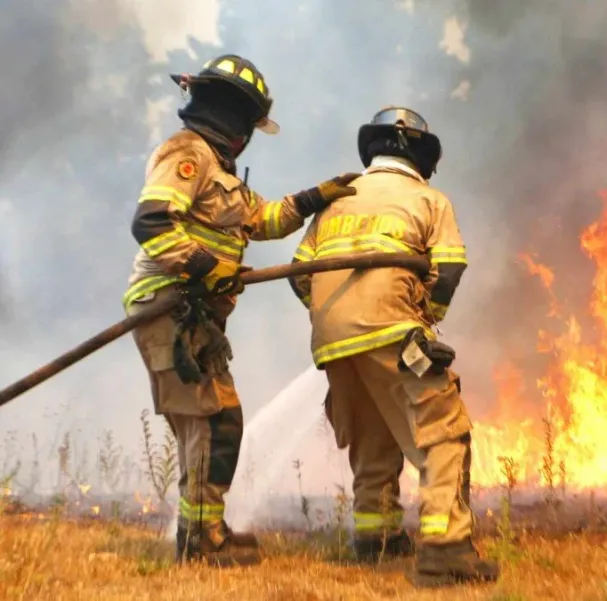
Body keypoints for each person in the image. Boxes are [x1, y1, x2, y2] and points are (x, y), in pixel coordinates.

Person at [123, 54, 358, 567]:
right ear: (234, 117)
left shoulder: (221, 171)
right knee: (207, 422)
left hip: (198, 316)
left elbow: (265, 219)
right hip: (170, 308)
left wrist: (316, 197)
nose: (249, 136)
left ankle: (205, 529)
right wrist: (205, 268)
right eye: (250, 125)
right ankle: (201, 544)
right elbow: (153, 222)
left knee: (220, 422)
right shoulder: (187, 154)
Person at [287, 106, 498, 587]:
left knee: (373, 435)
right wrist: (427, 320)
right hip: (394, 330)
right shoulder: (429, 199)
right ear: (421, 157)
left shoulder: (335, 203)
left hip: (332, 343)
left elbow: (300, 276)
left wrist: (334, 318)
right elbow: (449, 269)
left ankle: (375, 538)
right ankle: (445, 549)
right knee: (443, 433)